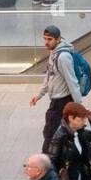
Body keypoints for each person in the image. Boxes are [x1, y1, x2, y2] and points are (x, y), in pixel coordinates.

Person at [31, 25, 85, 154]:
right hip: (57, 98)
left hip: (62, 100)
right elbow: (49, 75)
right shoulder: (53, 53)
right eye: (45, 39)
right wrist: (39, 95)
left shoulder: (63, 57)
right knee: (72, 129)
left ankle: (43, 160)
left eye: (49, 39)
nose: (46, 42)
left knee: (49, 131)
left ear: (58, 39)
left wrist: (78, 104)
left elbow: (72, 81)